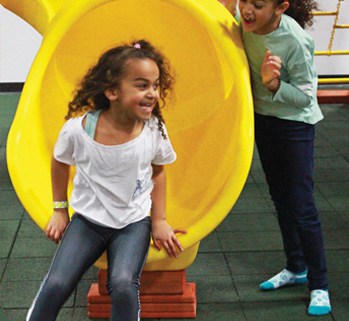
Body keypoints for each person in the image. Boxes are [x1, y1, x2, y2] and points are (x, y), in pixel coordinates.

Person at [26, 39, 186, 321]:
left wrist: (159, 220)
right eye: (141, 85)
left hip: (132, 224)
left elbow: (158, 170)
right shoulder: (78, 130)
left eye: (155, 85)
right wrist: (60, 209)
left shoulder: (153, 130)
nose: (152, 93)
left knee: (124, 284)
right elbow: (60, 162)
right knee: (57, 283)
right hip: (88, 220)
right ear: (112, 91)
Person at [219, 0, 331, 316]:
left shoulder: (294, 41)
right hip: (264, 118)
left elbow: (305, 96)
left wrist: (274, 83)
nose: (247, 10)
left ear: (280, 8)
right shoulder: (243, 18)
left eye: (258, 4)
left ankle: (319, 284)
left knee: (302, 204)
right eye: (244, 1)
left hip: (295, 123)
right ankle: (296, 267)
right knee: (280, 198)